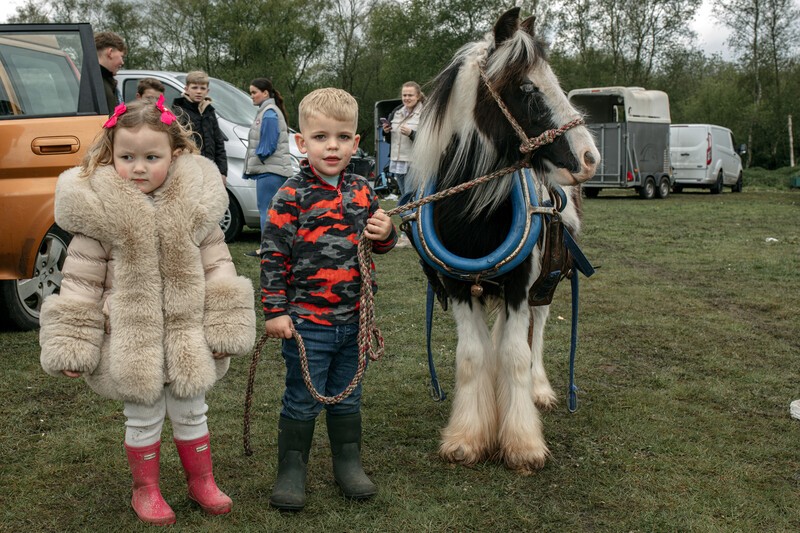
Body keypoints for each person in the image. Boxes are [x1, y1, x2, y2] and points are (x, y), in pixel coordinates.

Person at [38, 96, 256, 526]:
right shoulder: (98, 216)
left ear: (174, 154)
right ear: (110, 153)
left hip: (186, 335)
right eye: (127, 157)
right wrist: (72, 344)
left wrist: (223, 327)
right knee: (142, 415)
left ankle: (202, 481)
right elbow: (80, 283)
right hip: (130, 340)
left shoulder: (196, 209)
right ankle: (146, 489)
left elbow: (218, 269)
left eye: (151, 157)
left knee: (192, 410)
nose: (139, 167)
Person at [260, 87, 397, 511]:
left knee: (347, 394)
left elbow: (376, 246)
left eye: (341, 137)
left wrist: (386, 233)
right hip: (306, 323)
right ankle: (291, 468)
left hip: (354, 321)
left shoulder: (362, 190)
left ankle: (347, 462)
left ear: (356, 143)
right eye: (320, 137)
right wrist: (275, 311)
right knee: (302, 395)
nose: (332, 146)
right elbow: (273, 256)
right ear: (302, 143)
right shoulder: (290, 195)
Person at [242, 78, 294, 257]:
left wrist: (260, 157)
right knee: (270, 208)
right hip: (271, 169)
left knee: (267, 209)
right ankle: (272, 246)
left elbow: (269, 143)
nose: (252, 96)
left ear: (265, 93)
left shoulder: (270, 112)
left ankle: (267, 248)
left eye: (254, 92)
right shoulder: (268, 111)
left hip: (270, 170)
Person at [172, 70, 227, 182]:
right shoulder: (179, 111)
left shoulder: (209, 111)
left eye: (202, 88)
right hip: (188, 169)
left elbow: (218, 143)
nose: (199, 92)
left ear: (207, 91)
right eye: (194, 88)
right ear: (186, 89)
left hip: (210, 168)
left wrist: (222, 172)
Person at [381, 81, 425, 198]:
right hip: (397, 160)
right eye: (404, 95)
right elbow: (390, 140)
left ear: (418, 96)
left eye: (410, 95)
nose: (406, 98)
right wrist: (386, 131)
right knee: (405, 195)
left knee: (411, 195)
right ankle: (409, 215)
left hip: (414, 162)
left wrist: (411, 133)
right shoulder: (397, 112)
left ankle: (412, 215)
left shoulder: (425, 112)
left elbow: (428, 140)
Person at [94, 31, 126, 112]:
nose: (122, 62)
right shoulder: (100, 84)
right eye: (121, 56)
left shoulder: (94, 80)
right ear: (110, 52)